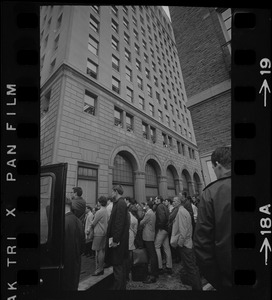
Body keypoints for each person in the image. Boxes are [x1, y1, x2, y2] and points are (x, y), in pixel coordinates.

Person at [194, 146, 231, 290]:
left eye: (213, 168)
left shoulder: (210, 193)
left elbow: (202, 244)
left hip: (228, 278)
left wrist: (219, 281)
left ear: (217, 165)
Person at [171, 195, 202, 290]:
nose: (173, 202)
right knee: (190, 268)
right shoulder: (183, 211)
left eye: (175, 201)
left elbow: (183, 231)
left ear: (180, 202)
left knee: (191, 269)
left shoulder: (181, 212)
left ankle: (198, 289)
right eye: (173, 201)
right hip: (187, 243)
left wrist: (179, 244)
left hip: (185, 245)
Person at [104, 185, 130, 290]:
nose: (111, 193)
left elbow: (118, 224)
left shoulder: (120, 203)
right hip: (119, 241)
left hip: (118, 242)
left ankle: (119, 288)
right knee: (119, 265)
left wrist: (115, 240)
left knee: (118, 265)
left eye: (112, 191)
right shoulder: (119, 203)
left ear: (116, 191)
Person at [62, 197, 85, 290]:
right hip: (76, 260)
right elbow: (83, 241)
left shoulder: (63, 221)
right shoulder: (78, 221)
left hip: (65, 260)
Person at [140, 199, 159, 283]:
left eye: (146, 205)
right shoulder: (152, 213)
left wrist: (142, 217)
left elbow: (141, 222)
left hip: (148, 236)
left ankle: (153, 275)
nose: (145, 206)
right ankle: (154, 273)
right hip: (150, 235)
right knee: (152, 254)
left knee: (152, 255)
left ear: (148, 206)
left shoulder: (148, 213)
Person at [154, 196, 173, 274]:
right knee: (166, 247)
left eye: (155, 199)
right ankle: (169, 266)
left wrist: (159, 227)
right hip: (167, 229)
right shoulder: (164, 206)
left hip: (162, 229)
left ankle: (159, 267)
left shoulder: (159, 207)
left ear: (159, 200)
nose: (155, 200)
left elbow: (162, 219)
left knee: (156, 246)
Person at [91, 196, 109, 276]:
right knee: (102, 250)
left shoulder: (99, 211)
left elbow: (93, 223)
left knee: (98, 251)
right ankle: (101, 268)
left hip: (98, 233)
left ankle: (99, 269)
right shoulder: (106, 210)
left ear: (100, 202)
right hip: (104, 232)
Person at [125, 203, 138, 281]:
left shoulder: (127, 216)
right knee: (130, 252)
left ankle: (126, 271)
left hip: (126, 235)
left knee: (126, 253)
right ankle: (129, 268)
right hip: (132, 235)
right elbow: (136, 230)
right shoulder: (135, 219)